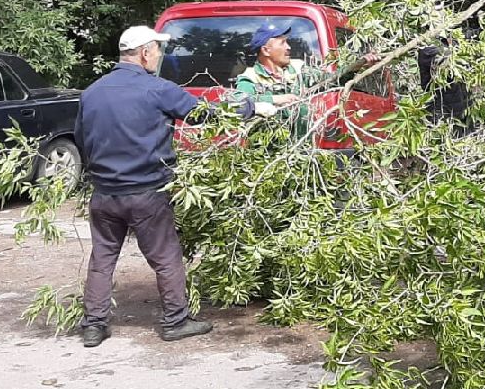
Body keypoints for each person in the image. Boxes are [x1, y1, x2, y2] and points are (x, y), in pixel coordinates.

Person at [73, 25, 251, 348]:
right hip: (147, 193)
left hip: (105, 195)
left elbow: (83, 141)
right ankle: (176, 320)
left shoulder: (91, 93)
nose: (158, 56)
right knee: (166, 256)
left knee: (102, 257)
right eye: (156, 50)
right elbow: (204, 115)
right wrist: (249, 108)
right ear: (144, 53)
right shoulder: (157, 90)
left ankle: (94, 326)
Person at [234, 23, 331, 140]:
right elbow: (239, 104)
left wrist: (354, 68)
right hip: (269, 152)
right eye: (282, 43)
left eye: (287, 42)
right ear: (265, 51)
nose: (288, 47)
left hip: (303, 148)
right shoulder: (250, 77)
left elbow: (331, 79)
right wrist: (275, 99)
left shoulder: (298, 68)